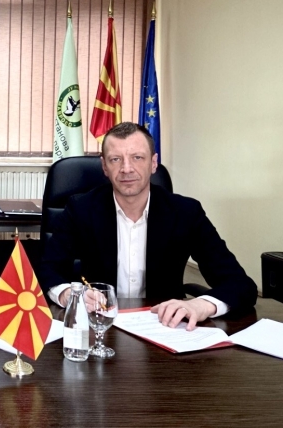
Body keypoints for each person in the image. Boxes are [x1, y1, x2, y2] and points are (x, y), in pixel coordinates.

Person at [38, 122, 257, 330]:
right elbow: (48, 269)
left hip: (165, 327)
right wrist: (67, 294)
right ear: (104, 166)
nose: (126, 169)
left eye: (137, 157)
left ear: (153, 163)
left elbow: (240, 284)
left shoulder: (186, 212)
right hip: (100, 325)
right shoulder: (81, 209)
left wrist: (202, 304)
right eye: (115, 159)